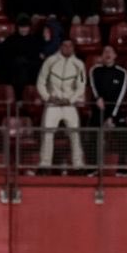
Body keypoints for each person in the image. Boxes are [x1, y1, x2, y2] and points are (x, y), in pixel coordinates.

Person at [36, 39, 87, 174]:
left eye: (70, 46)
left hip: (69, 104)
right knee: (47, 133)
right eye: (64, 45)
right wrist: (48, 97)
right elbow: (41, 82)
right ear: (60, 46)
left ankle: (78, 166)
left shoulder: (79, 64)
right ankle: (44, 166)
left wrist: (71, 100)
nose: (67, 48)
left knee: (75, 134)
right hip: (53, 104)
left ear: (73, 48)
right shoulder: (50, 61)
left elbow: (81, 87)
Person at [88, 45, 127, 175]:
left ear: (115, 55)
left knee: (124, 136)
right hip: (99, 108)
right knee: (91, 133)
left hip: (115, 110)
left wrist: (112, 116)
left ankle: (122, 169)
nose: (108, 54)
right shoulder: (94, 70)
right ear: (101, 56)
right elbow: (94, 88)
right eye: (105, 51)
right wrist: (97, 98)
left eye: (110, 51)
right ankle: (93, 168)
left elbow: (121, 95)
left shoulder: (122, 73)